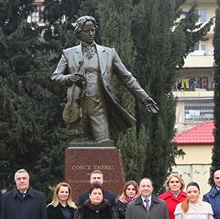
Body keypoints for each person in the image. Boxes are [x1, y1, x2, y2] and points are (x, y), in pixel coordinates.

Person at [51, 15, 159, 146]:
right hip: (77, 107)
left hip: (99, 105)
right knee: (77, 146)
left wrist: (144, 98)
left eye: (93, 30)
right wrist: (69, 77)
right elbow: (55, 77)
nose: (91, 34)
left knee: (104, 144)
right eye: (86, 31)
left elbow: (127, 77)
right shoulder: (68, 53)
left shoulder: (109, 53)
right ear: (79, 32)